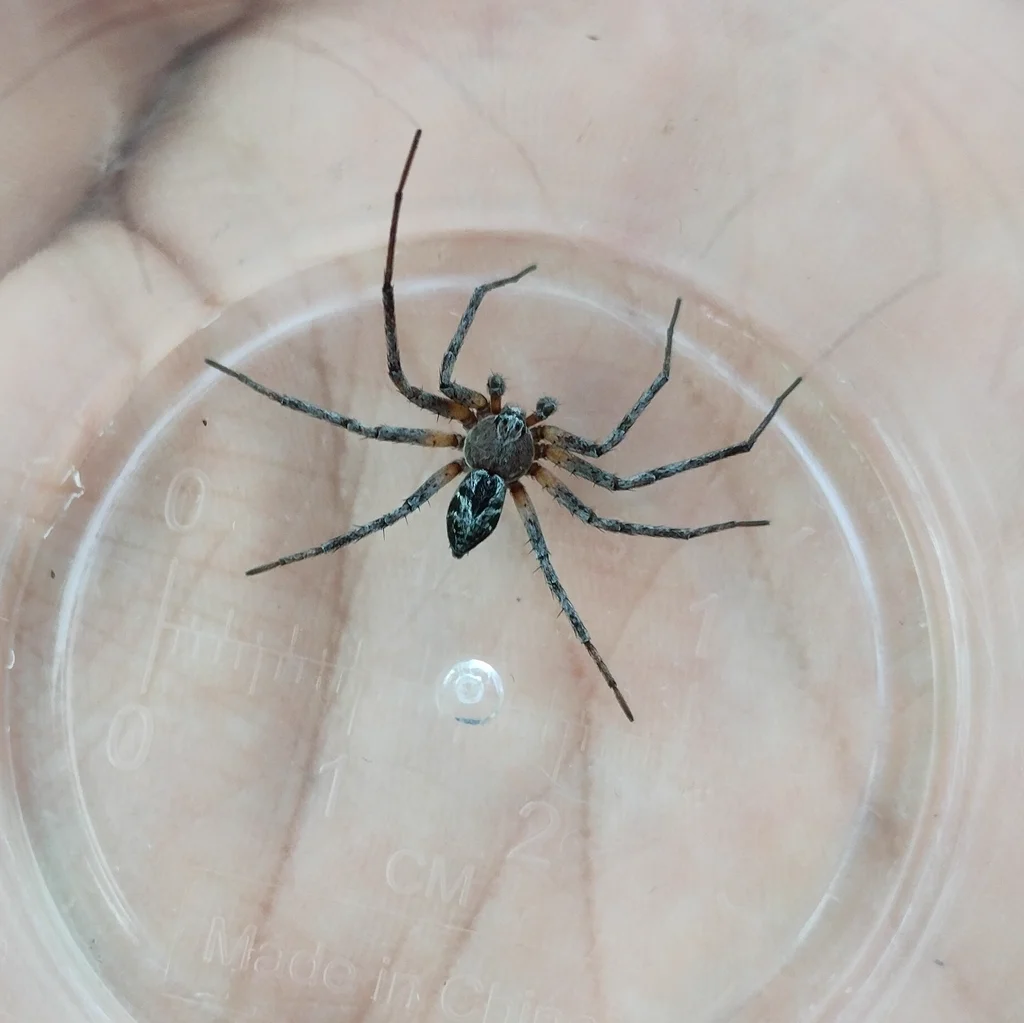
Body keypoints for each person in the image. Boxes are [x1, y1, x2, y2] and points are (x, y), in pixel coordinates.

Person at [1, 3, 1020, 1021]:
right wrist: (522, 308)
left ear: (505, 431)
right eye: (511, 415)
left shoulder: (489, 440)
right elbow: (447, 382)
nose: (512, 412)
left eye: (512, 416)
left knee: (563, 530)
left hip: (474, 491)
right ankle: (291, 467)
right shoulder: (504, 443)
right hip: (472, 489)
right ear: (506, 426)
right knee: (427, 476)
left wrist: (681, 425)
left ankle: (599, 633)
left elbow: (588, 468)